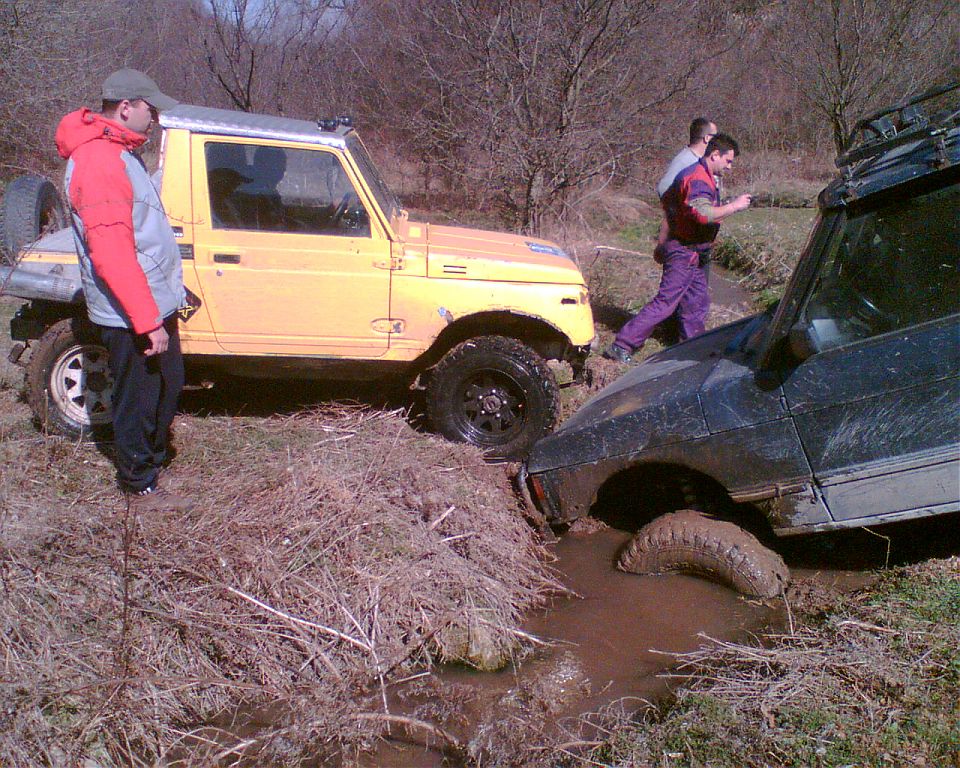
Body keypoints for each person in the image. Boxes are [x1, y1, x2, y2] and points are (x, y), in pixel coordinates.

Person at [55, 68, 191, 510]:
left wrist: (169, 294)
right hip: (129, 310)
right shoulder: (99, 162)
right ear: (126, 107)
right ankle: (138, 483)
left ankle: (151, 461)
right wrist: (147, 321)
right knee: (140, 396)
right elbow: (112, 254)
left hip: (149, 300)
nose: (155, 118)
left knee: (167, 384)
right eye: (151, 109)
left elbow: (143, 232)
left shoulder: (121, 152)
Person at [603, 133, 752, 362]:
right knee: (666, 302)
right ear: (715, 155)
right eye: (728, 161)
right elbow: (703, 214)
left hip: (694, 252)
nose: (730, 167)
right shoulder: (697, 178)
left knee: (696, 303)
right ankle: (621, 345)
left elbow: (673, 211)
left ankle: (693, 348)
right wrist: (735, 206)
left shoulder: (701, 174)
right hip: (684, 252)